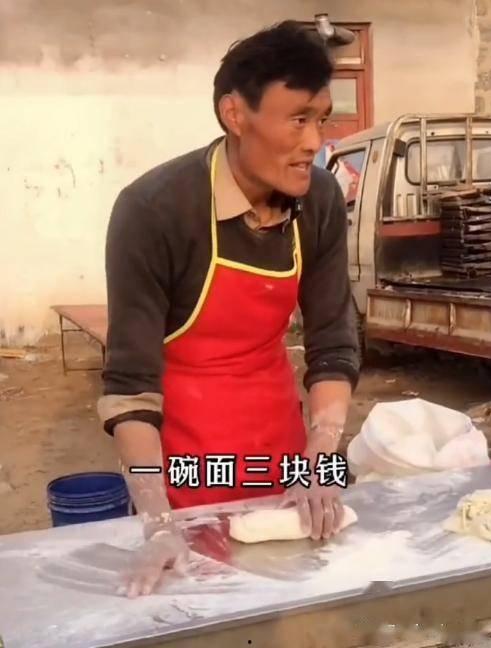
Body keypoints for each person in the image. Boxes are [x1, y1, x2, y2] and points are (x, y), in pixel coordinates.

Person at [98, 20, 359, 598]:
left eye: (321, 119)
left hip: (282, 448)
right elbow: (130, 389)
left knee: (296, 606)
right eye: (297, 120)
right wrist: (158, 521)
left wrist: (321, 452)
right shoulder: (154, 210)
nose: (314, 142)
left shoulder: (319, 200)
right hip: (185, 464)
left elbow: (334, 343)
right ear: (235, 114)